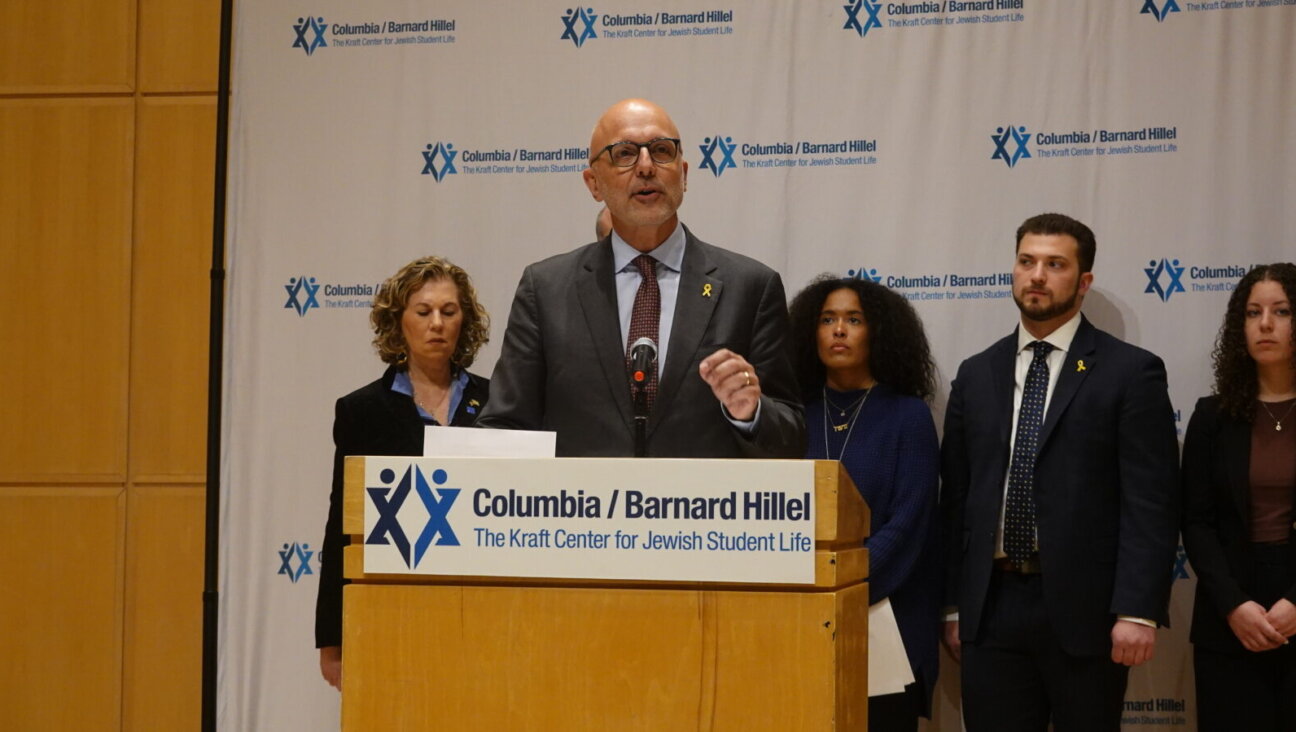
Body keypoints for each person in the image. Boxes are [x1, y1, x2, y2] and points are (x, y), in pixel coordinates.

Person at [940, 213, 1180, 730]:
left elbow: (1150, 502)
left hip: (1087, 614)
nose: (1037, 276)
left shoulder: (1130, 372)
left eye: (1055, 264)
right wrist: (955, 606)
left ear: (1084, 281)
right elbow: (958, 499)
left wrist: (1137, 610)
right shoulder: (977, 372)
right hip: (992, 609)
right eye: (1027, 262)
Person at [477, 98, 804, 457]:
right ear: (594, 184)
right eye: (624, 154)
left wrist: (751, 413)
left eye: (662, 151)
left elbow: (791, 435)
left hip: (702, 508)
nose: (646, 166)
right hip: (581, 507)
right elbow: (506, 427)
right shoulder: (546, 289)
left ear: (684, 173)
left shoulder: (750, 287)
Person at [314, 255, 491, 690]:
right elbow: (342, 524)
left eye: (449, 312)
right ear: (399, 322)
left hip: (483, 605)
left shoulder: (498, 402)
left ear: (463, 322)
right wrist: (331, 640)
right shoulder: (363, 411)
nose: (437, 324)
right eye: (423, 312)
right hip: (392, 604)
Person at [787, 275, 941, 731]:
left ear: (878, 332)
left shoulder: (908, 415)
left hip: (884, 622)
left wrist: (839, 587)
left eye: (854, 319)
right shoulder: (793, 415)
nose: (839, 330)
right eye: (827, 319)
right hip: (799, 619)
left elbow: (907, 525)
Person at [1182, 263, 1296, 731]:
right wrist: (1234, 604)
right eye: (1253, 312)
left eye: (1282, 311)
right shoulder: (1212, 416)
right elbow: (1195, 521)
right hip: (1228, 614)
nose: (1265, 324)